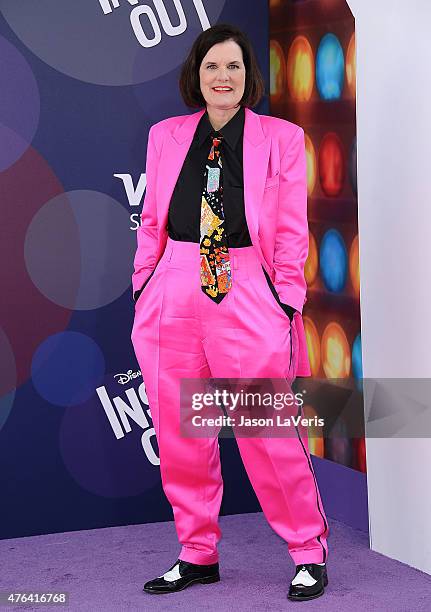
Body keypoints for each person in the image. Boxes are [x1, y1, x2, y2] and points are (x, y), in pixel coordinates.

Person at [131, 23, 329, 602]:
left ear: (249, 77)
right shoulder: (166, 135)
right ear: (196, 74)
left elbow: (292, 230)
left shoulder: (282, 138)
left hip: (246, 284)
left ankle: (307, 551)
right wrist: (145, 283)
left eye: (234, 67)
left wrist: (285, 297)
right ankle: (196, 553)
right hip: (173, 282)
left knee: (265, 427)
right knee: (180, 430)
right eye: (212, 66)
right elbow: (151, 223)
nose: (223, 77)